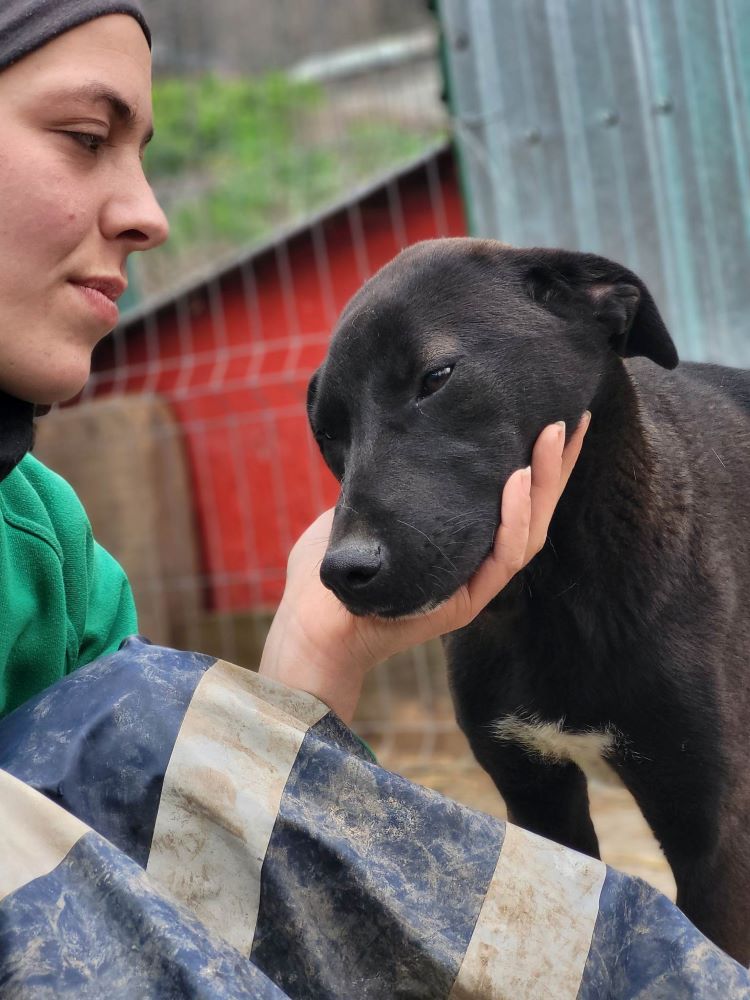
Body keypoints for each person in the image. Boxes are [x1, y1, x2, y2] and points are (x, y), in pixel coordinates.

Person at [0, 0, 588, 724]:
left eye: (143, 157)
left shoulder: (51, 548)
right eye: (87, 138)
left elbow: (138, 829)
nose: (150, 215)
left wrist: (316, 653)